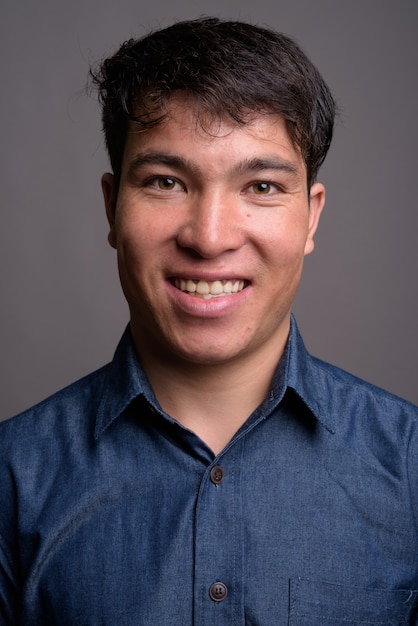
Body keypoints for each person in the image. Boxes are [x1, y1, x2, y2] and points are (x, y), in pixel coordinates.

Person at [1, 16, 417, 625]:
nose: (210, 237)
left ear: (311, 218)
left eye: (262, 187)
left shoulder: (408, 466)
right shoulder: (12, 478)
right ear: (112, 208)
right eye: (167, 181)